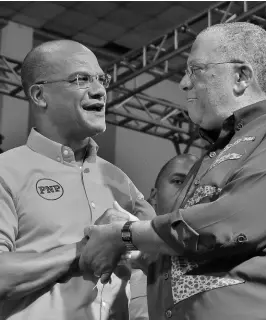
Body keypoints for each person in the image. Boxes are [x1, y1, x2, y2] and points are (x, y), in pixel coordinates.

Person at [80, 21, 266, 320]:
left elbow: (231, 222)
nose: (183, 83)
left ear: (241, 76)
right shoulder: (212, 156)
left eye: (195, 70)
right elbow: (195, 247)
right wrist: (144, 252)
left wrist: (126, 235)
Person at [0, 39, 155, 320]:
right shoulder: (6, 172)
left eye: (101, 79)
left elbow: (153, 267)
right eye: (81, 79)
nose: (99, 91)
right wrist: (84, 250)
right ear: (39, 95)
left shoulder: (120, 181)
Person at [129, 153, 198, 320]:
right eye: (179, 181)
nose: (189, 192)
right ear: (153, 196)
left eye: (198, 185)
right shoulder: (124, 264)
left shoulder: (223, 265)